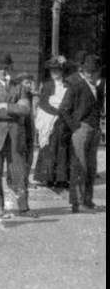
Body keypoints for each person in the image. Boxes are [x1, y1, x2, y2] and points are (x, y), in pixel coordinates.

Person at [0, 53, 36, 219]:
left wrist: (5, 105)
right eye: (0, 68)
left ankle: (23, 208)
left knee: (19, 172)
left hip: (15, 136)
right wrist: (15, 109)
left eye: (6, 68)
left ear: (10, 68)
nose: (3, 71)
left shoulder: (18, 87)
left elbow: (26, 110)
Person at [58, 54, 104, 214]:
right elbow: (63, 109)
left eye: (94, 71)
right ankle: (77, 203)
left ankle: (88, 200)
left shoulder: (98, 89)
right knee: (80, 167)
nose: (90, 74)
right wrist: (75, 127)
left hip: (94, 130)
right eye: (87, 71)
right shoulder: (76, 86)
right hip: (81, 130)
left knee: (91, 167)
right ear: (83, 71)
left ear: (99, 72)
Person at [32, 56, 71, 190]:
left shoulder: (68, 85)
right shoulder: (48, 85)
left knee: (62, 148)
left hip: (63, 120)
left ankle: (61, 178)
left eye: (57, 70)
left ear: (62, 71)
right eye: (52, 70)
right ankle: (47, 178)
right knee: (49, 147)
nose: (54, 72)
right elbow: (43, 103)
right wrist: (56, 112)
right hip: (50, 118)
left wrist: (64, 113)